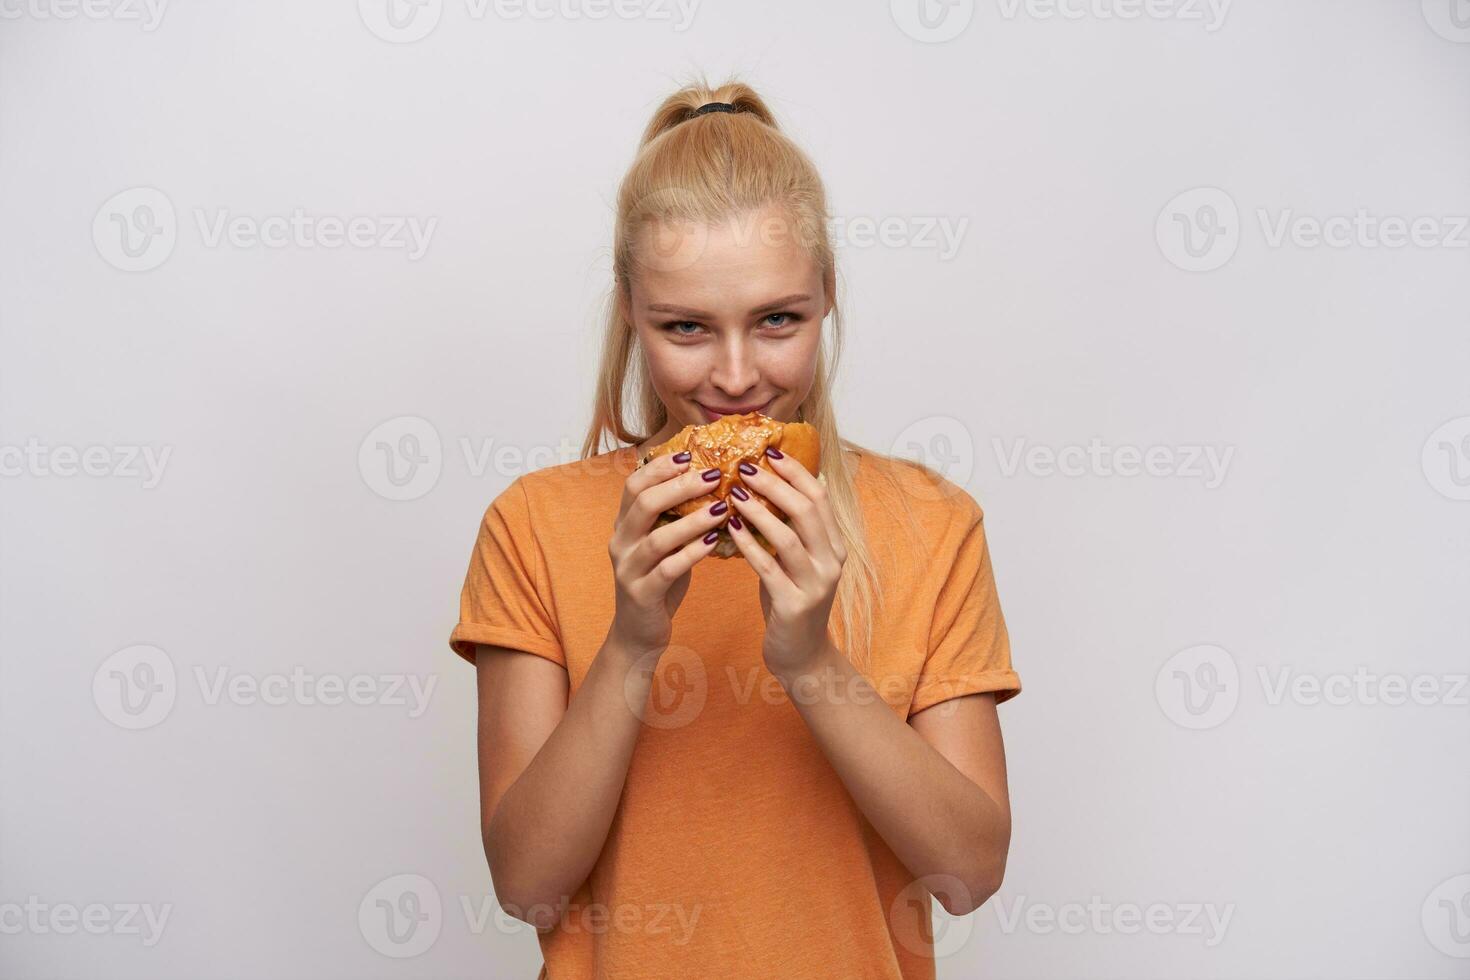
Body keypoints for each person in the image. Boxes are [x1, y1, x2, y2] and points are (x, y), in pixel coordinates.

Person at [448, 76, 1022, 980]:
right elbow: (527, 886)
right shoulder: (533, 524)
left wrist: (809, 661)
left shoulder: (933, 525)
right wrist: (633, 641)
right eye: (685, 327)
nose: (735, 374)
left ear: (827, 295)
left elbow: (969, 873)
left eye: (777, 321)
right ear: (630, 311)